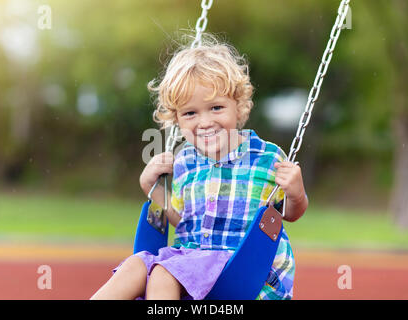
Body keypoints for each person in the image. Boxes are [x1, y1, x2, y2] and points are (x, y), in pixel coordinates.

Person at [91, 35, 308, 300]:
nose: (204, 122)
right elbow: (184, 222)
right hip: (191, 263)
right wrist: (151, 187)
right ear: (176, 118)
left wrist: (296, 192)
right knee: (135, 265)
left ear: (238, 107)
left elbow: (288, 215)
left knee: (162, 272)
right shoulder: (184, 162)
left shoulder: (267, 158)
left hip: (245, 271)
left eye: (216, 108)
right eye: (190, 113)